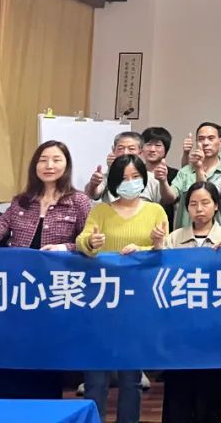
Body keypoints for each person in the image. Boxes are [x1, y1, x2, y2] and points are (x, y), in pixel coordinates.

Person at [0, 140, 91, 399]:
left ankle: (45, 403)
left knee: (46, 351)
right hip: (19, 290)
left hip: (55, 292)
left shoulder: (79, 201)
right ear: (35, 166)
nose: (49, 165)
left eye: (56, 159)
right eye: (43, 160)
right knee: (16, 346)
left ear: (66, 165)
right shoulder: (21, 201)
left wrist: (64, 247)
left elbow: (90, 243)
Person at [77, 154, 168, 423]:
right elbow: (82, 240)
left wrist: (148, 247)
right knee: (96, 377)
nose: (130, 182)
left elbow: (164, 251)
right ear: (115, 182)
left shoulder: (155, 211)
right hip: (102, 300)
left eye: (135, 177)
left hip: (138, 303)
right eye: (124, 178)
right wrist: (91, 243)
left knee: (131, 378)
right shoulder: (101, 210)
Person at [153, 182, 221, 423]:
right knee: (178, 397)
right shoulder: (174, 238)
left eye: (205, 203)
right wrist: (156, 247)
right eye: (193, 204)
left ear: (216, 206)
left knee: (210, 396)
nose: (199, 209)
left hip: (215, 330)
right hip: (180, 330)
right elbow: (160, 275)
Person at [162, 123, 221, 230]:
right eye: (201, 139)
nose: (205, 143)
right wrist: (163, 181)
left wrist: (199, 168)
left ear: (220, 142)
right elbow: (169, 198)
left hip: (217, 234)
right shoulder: (186, 171)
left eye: (211, 138)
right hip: (185, 233)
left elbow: (205, 195)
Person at [85, 131, 163, 204]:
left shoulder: (153, 179)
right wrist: (93, 184)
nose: (125, 153)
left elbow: (160, 205)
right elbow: (93, 195)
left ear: (140, 152)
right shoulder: (107, 177)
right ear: (113, 150)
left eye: (131, 149)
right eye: (120, 149)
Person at [141, 126, 177, 223]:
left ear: (166, 150)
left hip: (164, 226)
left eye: (158, 145)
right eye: (148, 144)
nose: (152, 149)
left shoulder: (175, 175)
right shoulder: (135, 172)